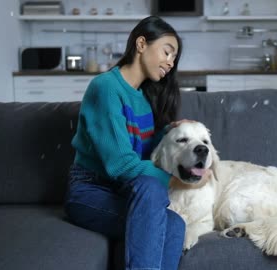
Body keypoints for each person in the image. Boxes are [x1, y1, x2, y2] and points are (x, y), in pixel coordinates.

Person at [64, 16, 188, 270]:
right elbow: (121, 164)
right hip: (89, 192)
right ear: (141, 44)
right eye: (167, 52)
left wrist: (169, 132)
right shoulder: (106, 87)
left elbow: (141, 147)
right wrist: (176, 180)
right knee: (152, 188)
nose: (170, 62)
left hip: (124, 191)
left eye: (174, 58)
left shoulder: (143, 97)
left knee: (176, 224)